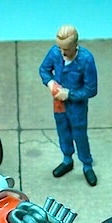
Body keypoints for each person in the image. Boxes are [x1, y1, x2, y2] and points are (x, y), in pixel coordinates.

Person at [39, 25, 98, 186]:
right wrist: (51, 83)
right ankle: (67, 159)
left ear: (75, 45)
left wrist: (70, 94)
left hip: (77, 106)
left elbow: (91, 89)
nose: (62, 53)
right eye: (60, 48)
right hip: (59, 103)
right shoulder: (55, 52)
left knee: (80, 134)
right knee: (63, 131)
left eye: (66, 49)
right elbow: (44, 70)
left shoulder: (86, 59)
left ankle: (87, 165)